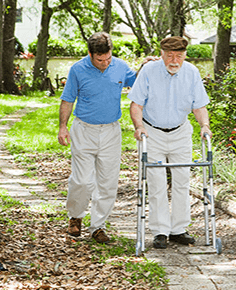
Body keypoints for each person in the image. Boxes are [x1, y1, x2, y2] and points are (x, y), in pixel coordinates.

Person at [58, 32, 155, 243]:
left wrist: (145, 66)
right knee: (82, 180)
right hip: (84, 129)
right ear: (90, 54)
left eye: (108, 58)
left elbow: (136, 81)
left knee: (108, 182)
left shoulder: (119, 66)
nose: (104, 63)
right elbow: (67, 99)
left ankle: (98, 227)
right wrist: (62, 127)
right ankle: (75, 216)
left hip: (111, 130)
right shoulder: (78, 69)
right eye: (100, 60)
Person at [128, 36, 212, 249]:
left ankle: (179, 229)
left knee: (182, 180)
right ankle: (160, 231)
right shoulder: (148, 71)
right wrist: (139, 127)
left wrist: (204, 125)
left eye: (179, 56)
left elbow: (199, 105)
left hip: (180, 132)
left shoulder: (192, 72)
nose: (174, 61)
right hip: (152, 132)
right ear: (162, 54)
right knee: (156, 182)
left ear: (185, 55)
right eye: (170, 56)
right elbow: (136, 104)